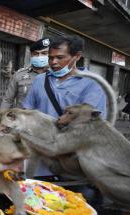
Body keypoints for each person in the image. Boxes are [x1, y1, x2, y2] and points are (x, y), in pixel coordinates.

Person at [22, 35, 107, 179]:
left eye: (60, 57)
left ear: (76, 56)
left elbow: (91, 126)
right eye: (50, 57)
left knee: (75, 199)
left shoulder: (92, 83)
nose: (53, 62)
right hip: (40, 162)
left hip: (72, 162)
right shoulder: (40, 80)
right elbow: (27, 113)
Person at [0, 38, 51, 112]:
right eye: (35, 54)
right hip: (22, 121)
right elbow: (7, 100)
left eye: (44, 53)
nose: (40, 57)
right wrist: (1, 119)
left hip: (45, 122)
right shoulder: (19, 75)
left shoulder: (56, 75)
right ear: (31, 55)